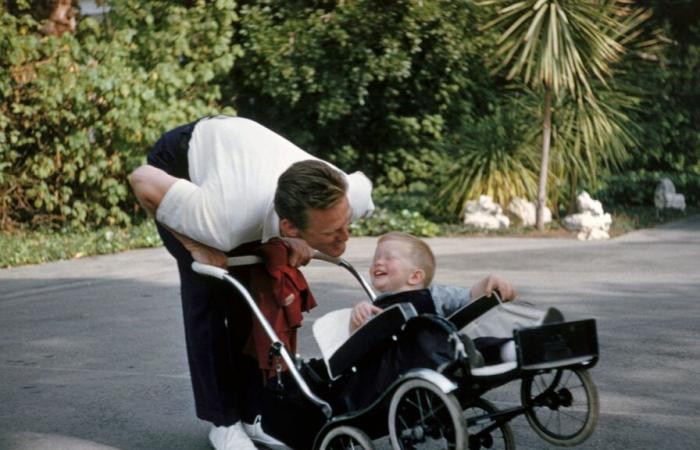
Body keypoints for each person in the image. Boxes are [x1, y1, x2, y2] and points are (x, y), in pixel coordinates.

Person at [128, 116, 374, 450]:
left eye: (346, 225)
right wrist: (194, 245)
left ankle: (253, 412)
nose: (345, 238)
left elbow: (311, 218)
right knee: (210, 287)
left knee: (254, 294)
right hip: (184, 165)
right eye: (332, 233)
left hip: (246, 168)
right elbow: (141, 178)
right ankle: (224, 422)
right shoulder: (222, 220)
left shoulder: (348, 192)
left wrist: (302, 240)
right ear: (289, 226)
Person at [350, 231, 516, 332]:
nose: (378, 262)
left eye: (389, 258)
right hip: (397, 363)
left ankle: (513, 348)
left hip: (439, 353)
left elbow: (470, 297)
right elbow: (355, 346)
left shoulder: (435, 295)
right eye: (376, 258)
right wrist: (357, 316)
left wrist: (490, 283)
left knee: (484, 343)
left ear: (414, 277)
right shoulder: (374, 308)